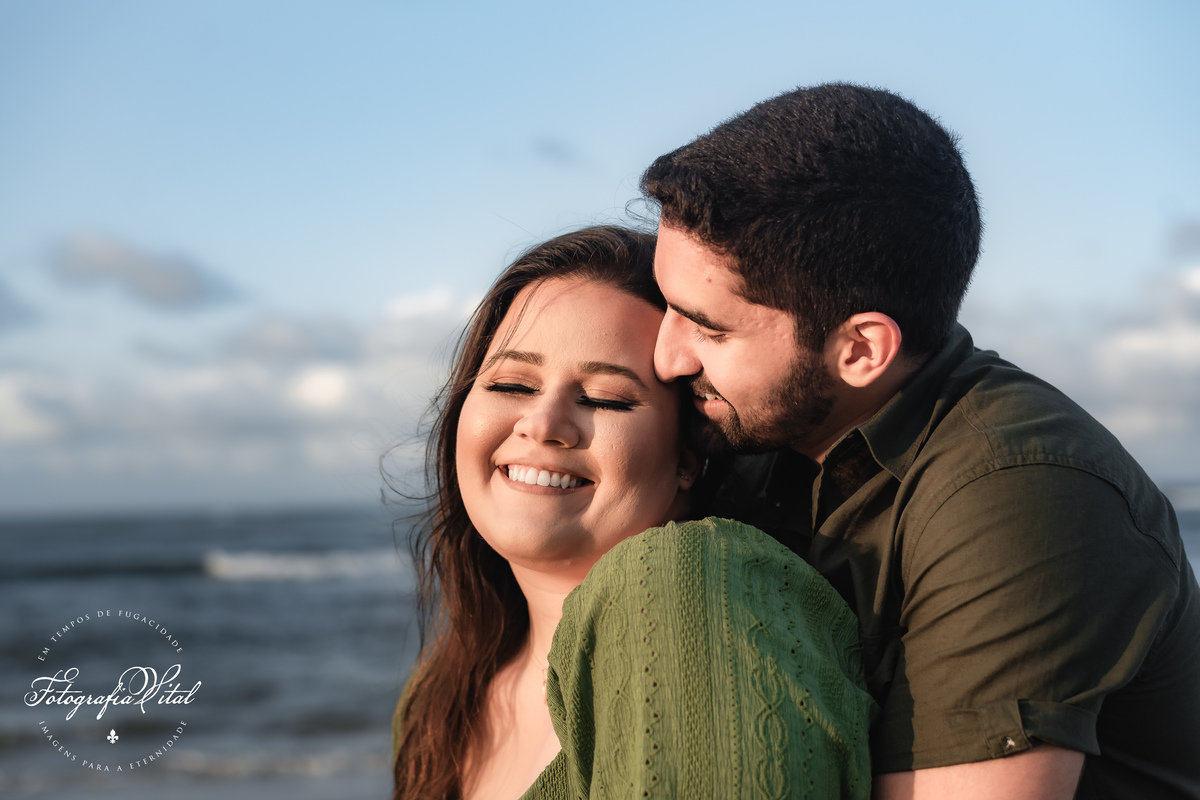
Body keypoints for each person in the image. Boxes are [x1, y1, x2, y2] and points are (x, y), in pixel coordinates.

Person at [641, 83, 1200, 799]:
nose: (665, 358)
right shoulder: (765, 435)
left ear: (862, 349)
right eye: (666, 306)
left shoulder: (1023, 494)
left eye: (710, 328)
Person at [390, 226, 876, 799]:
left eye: (605, 398)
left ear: (687, 460)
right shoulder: (437, 699)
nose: (543, 424)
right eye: (512, 383)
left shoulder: (690, 584)